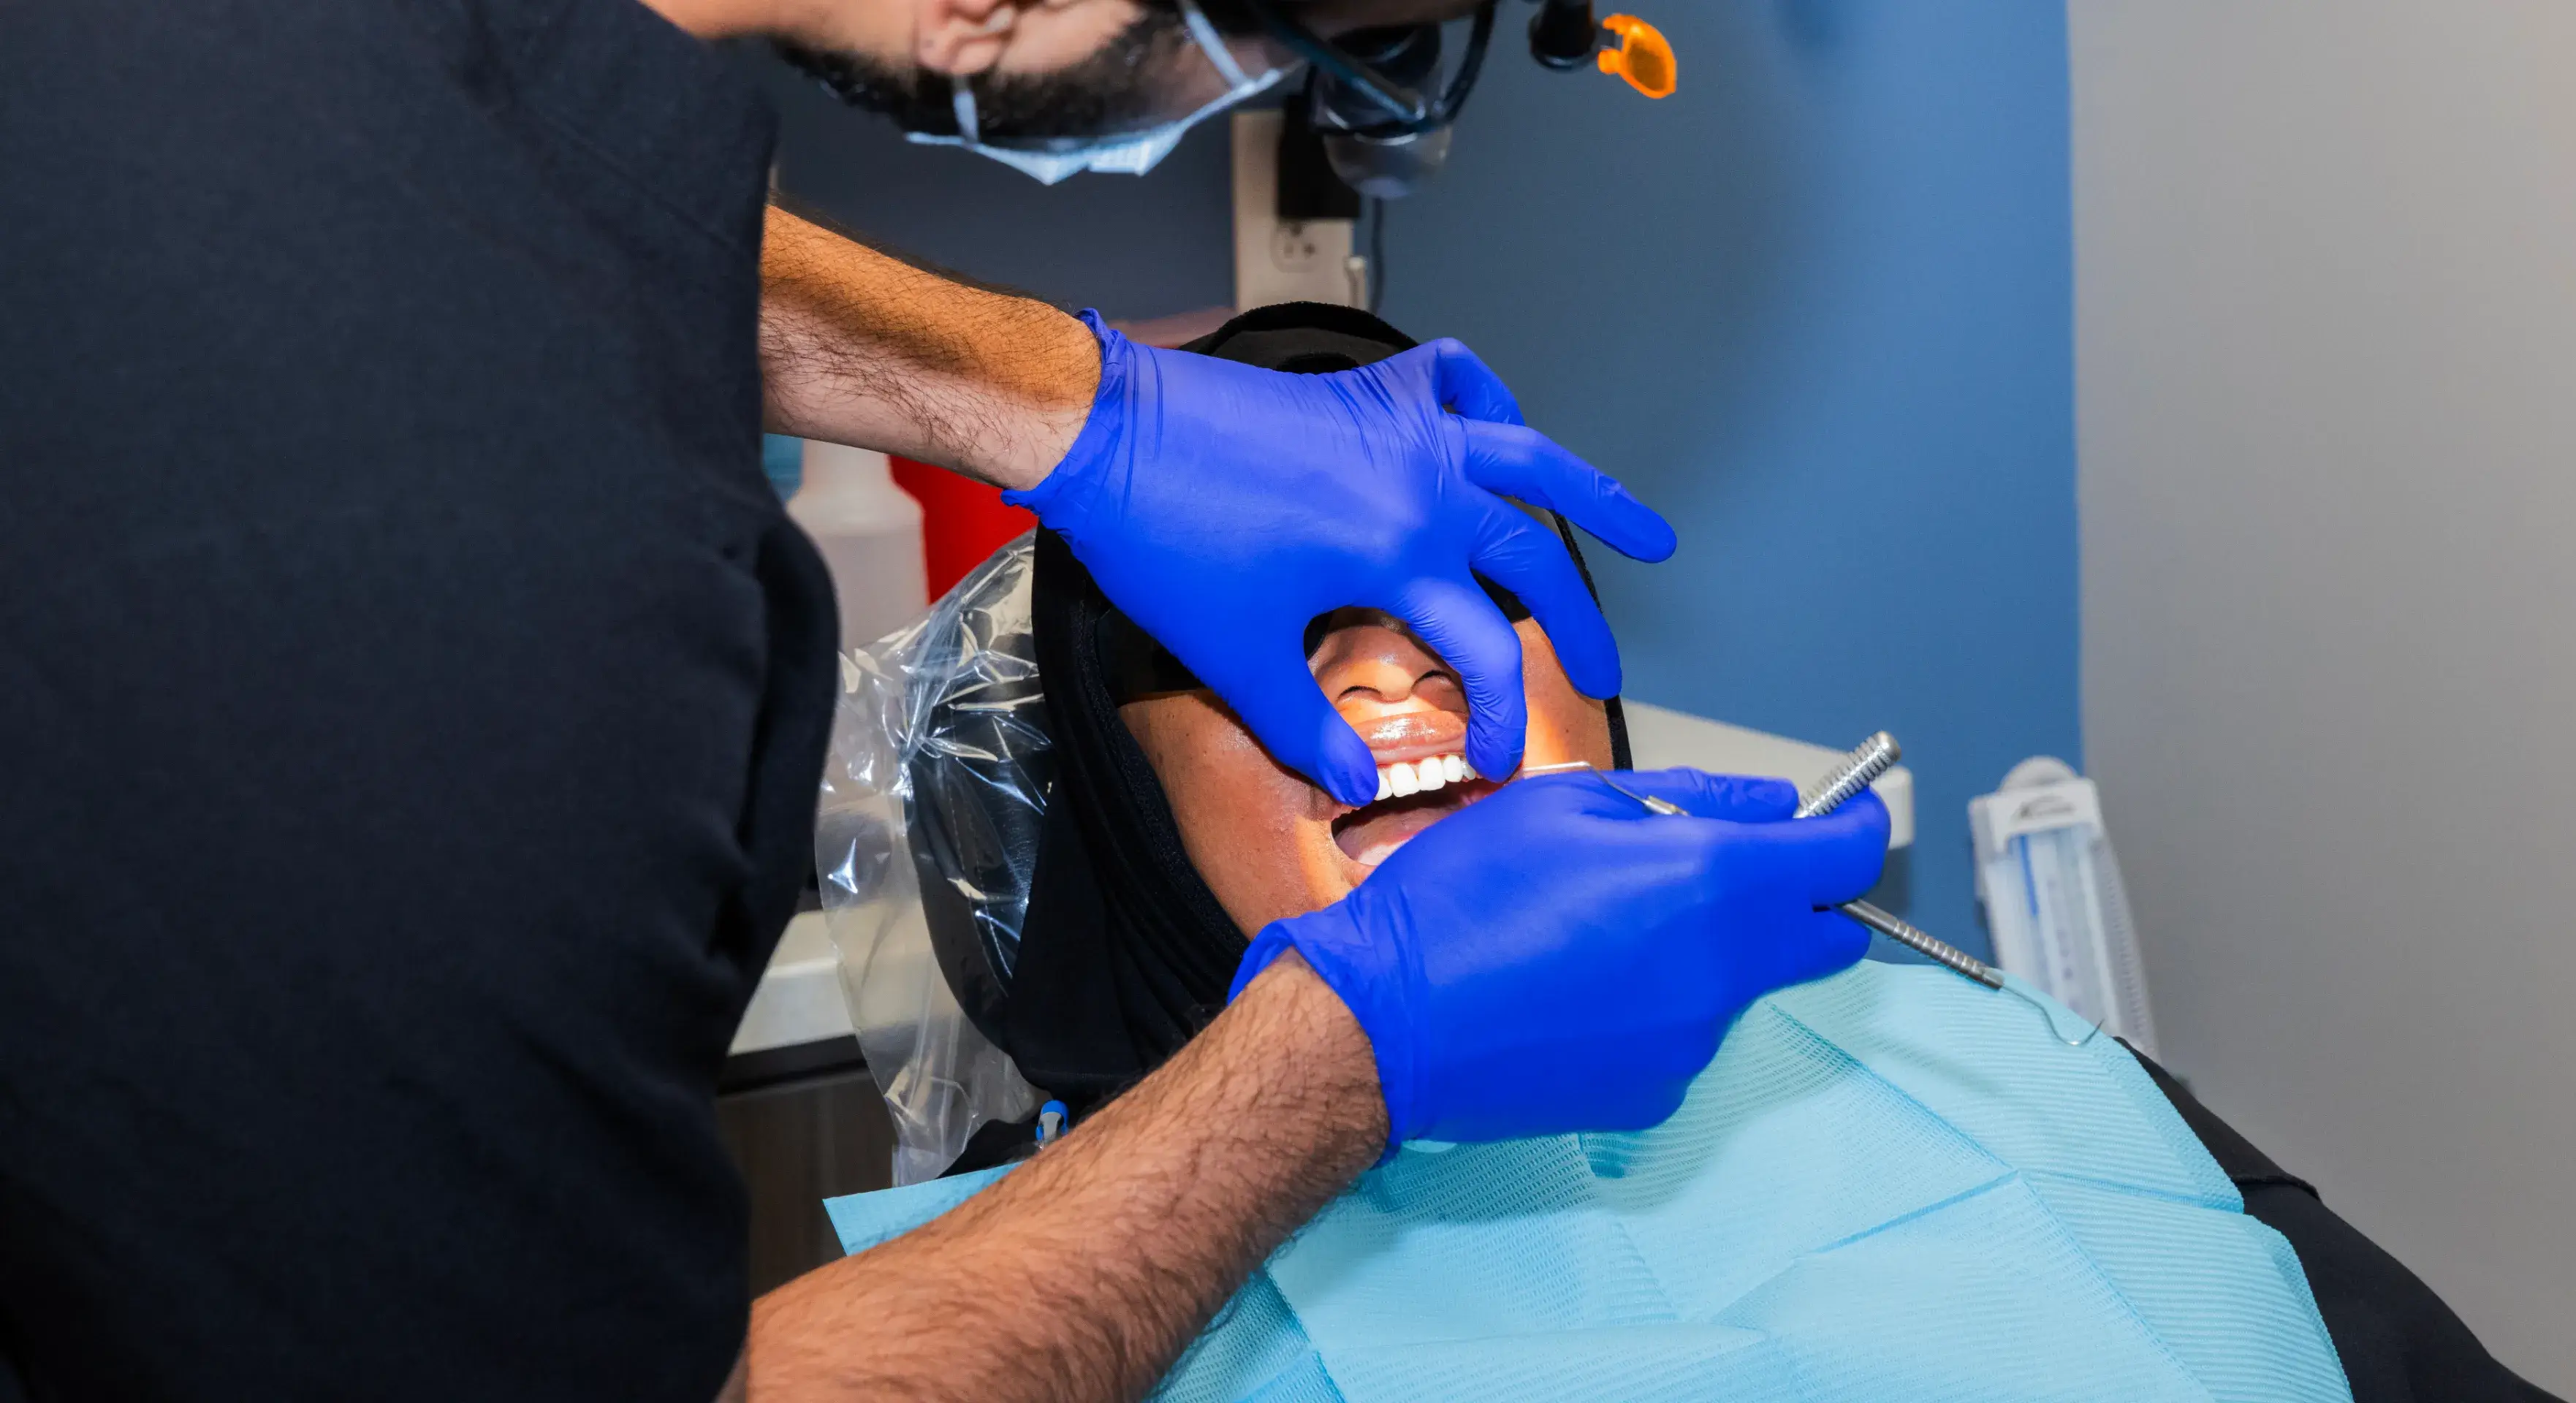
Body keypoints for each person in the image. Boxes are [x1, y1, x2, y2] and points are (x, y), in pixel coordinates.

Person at [0, 3, 1874, 1402]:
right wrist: (1341, 1060)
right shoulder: (444, 570)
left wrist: (1061, 400)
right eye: (1335, 45)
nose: (1393, 668)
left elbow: (449, 192)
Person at [777, 307, 2572, 1403]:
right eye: (1275, 636)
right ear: (1115, 794)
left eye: (1475, 591)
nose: (1394, 667)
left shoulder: (1964, 1057)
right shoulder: (1042, 1303)